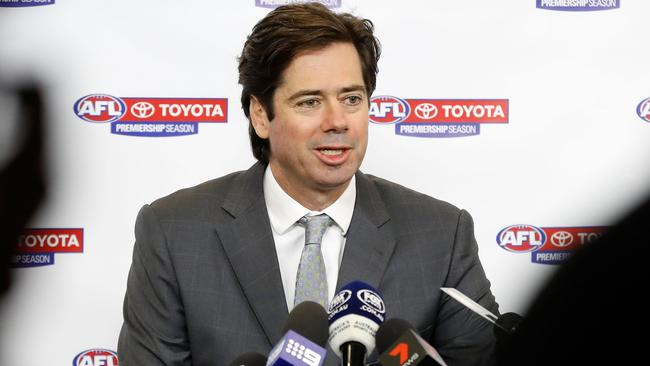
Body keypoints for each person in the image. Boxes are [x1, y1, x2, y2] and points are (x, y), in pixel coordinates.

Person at [117, 3, 499, 365]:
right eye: (309, 102)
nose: (337, 121)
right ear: (261, 115)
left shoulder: (442, 235)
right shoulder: (174, 233)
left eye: (352, 98)